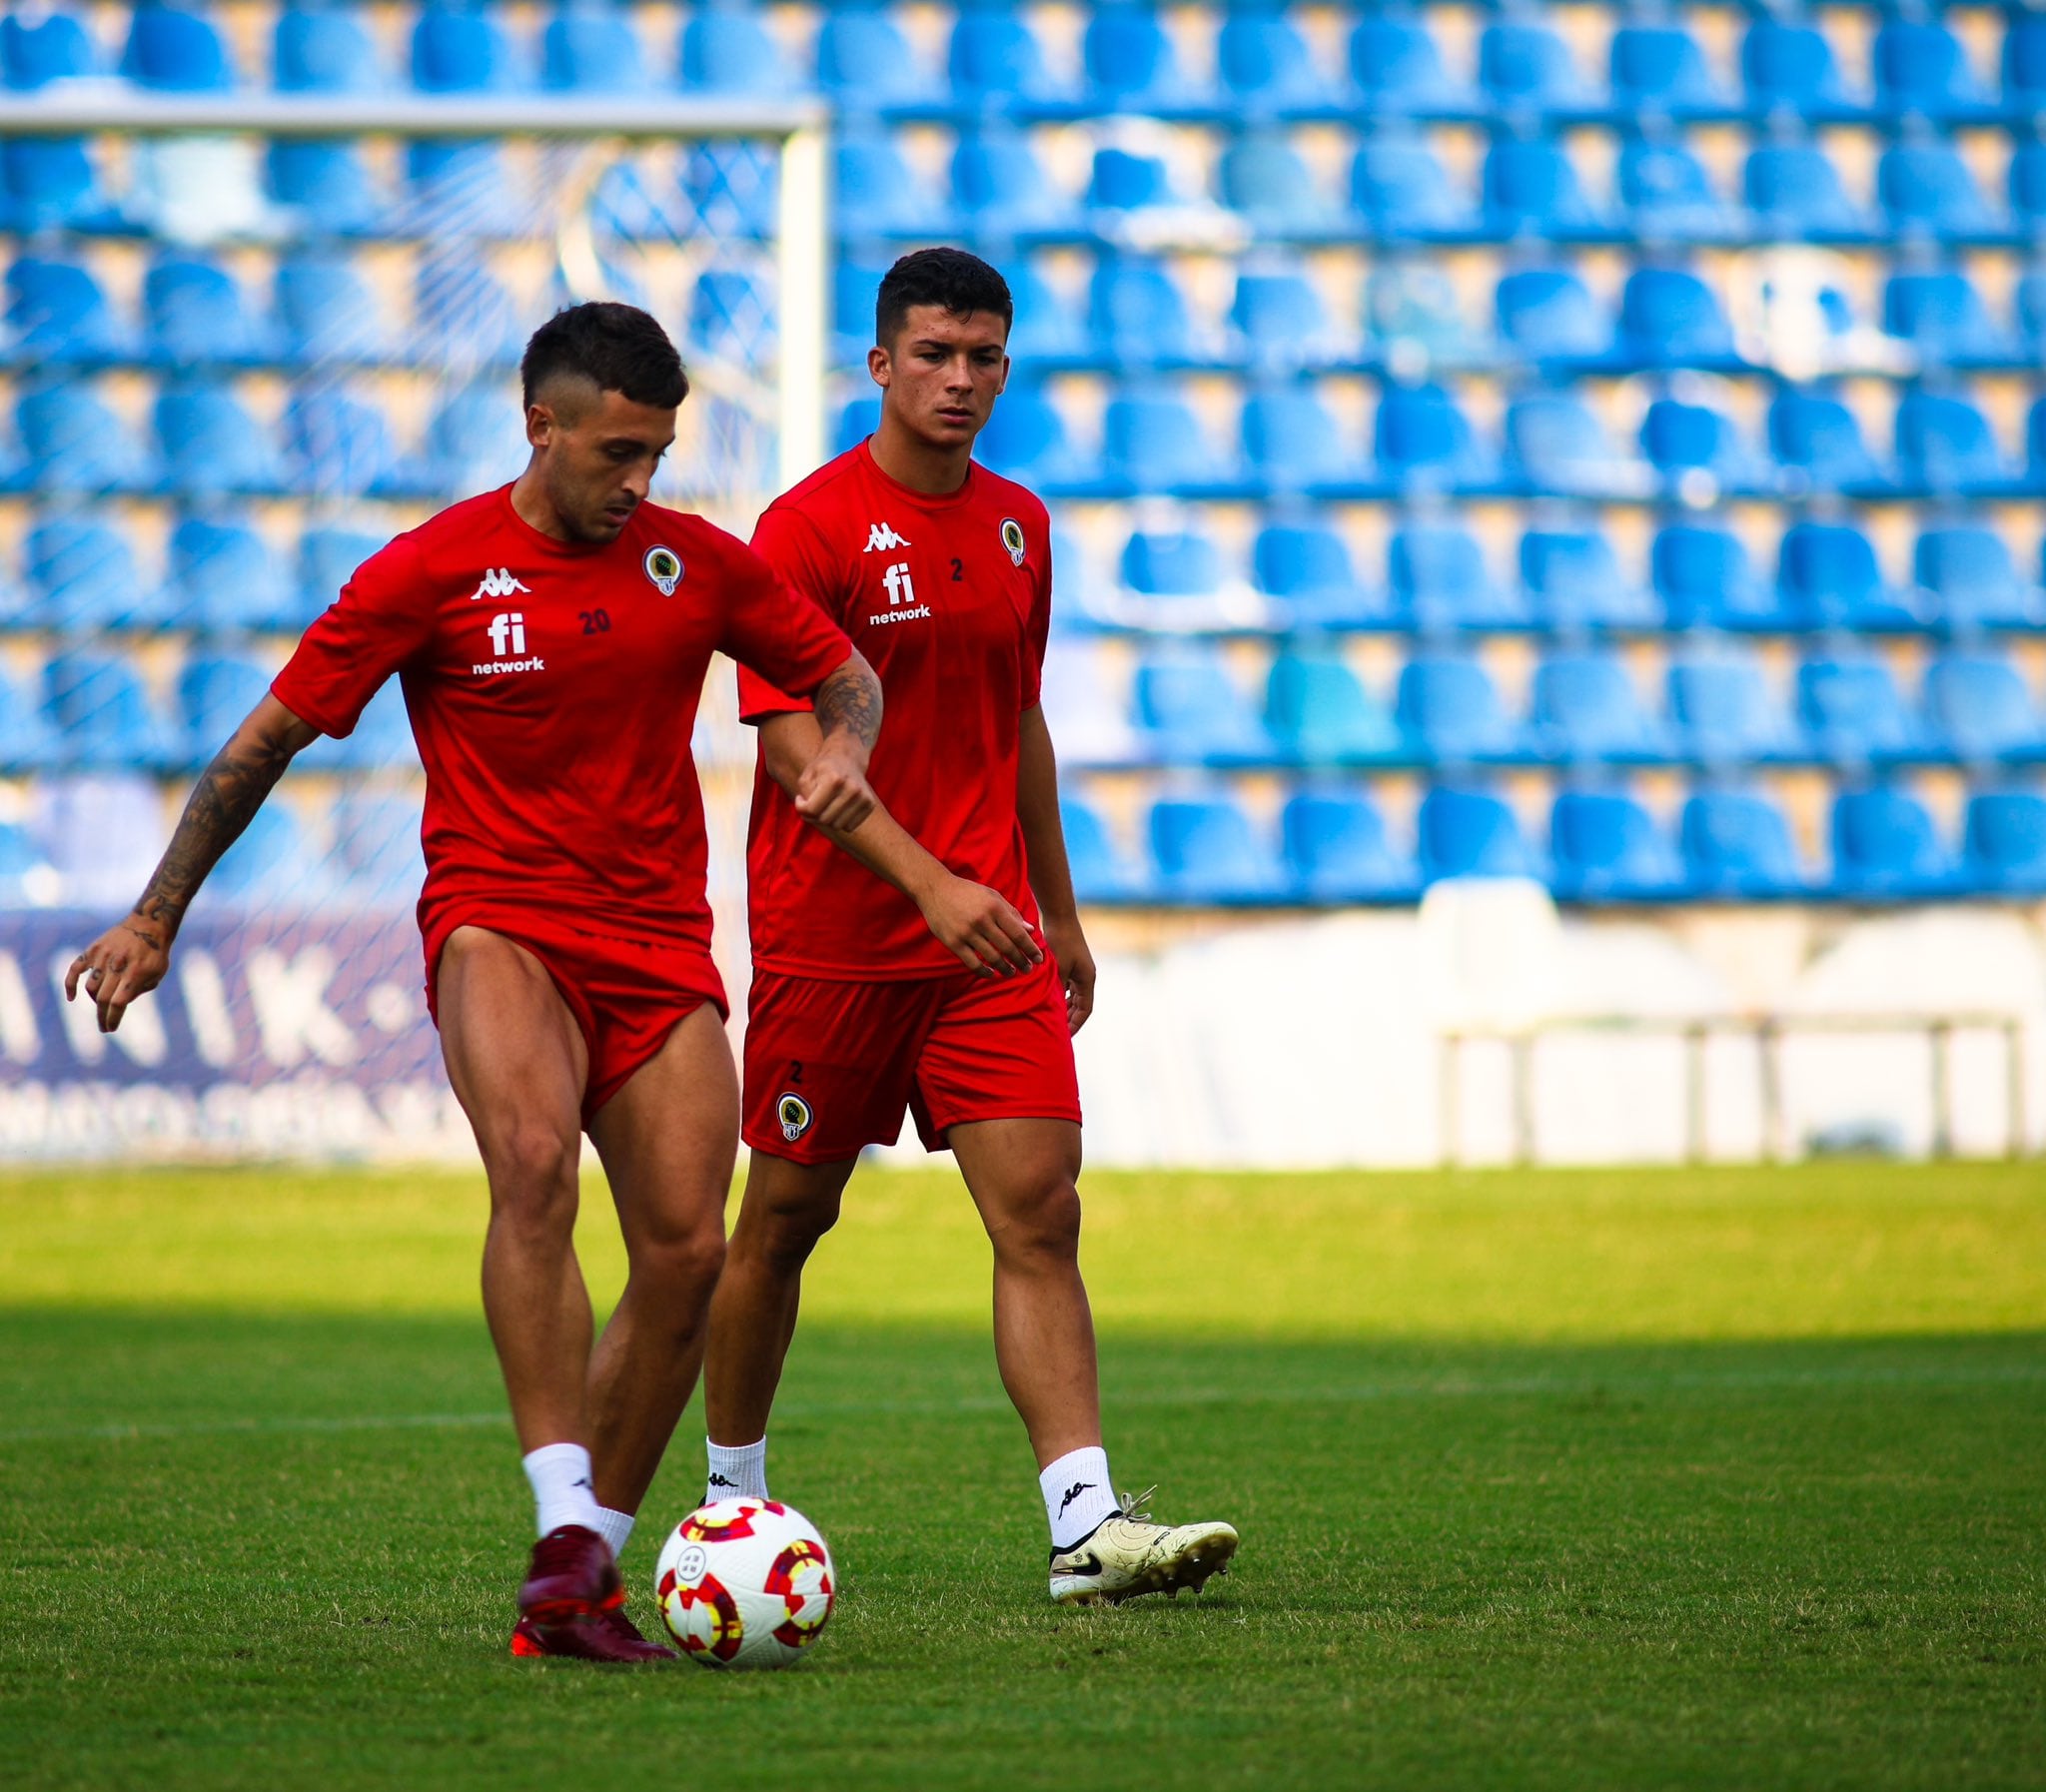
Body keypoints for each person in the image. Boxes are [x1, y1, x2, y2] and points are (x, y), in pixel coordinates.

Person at [63, 303, 884, 1662]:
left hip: (659, 944)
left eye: (659, 455)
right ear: (539, 424)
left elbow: (839, 669)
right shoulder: (434, 569)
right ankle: (563, 1511)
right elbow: (266, 738)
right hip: (498, 921)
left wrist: (847, 746)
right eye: (618, 452)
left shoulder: (693, 563)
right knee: (532, 1167)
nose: (641, 483)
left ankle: (580, 1581)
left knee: (686, 1248)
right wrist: (157, 915)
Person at [701, 249, 1239, 1604]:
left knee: (1040, 1210)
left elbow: (1019, 718)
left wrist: (1055, 906)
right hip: (839, 939)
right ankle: (730, 1497)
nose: (960, 379)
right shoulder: (806, 530)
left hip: (985, 942)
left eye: (984, 356)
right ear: (878, 365)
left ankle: (1085, 1522)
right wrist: (930, 880)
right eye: (934, 354)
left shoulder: (1020, 524)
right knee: (781, 1219)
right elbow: (789, 750)